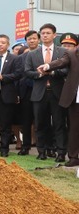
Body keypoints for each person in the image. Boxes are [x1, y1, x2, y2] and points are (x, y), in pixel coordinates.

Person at [25, 23, 67, 162]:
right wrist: (39, 74)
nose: (45, 35)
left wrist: (53, 71)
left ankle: (60, 152)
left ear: (54, 35)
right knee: (40, 123)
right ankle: (41, 151)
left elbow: (66, 70)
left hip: (57, 93)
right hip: (39, 93)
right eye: (42, 33)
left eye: (48, 33)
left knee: (59, 123)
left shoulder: (62, 52)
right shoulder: (32, 54)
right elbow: (27, 72)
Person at [38, 38, 79, 167]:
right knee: (74, 128)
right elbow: (61, 62)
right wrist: (48, 66)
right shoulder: (72, 54)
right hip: (75, 97)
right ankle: (73, 157)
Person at [17, 30, 40, 155]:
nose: (31, 41)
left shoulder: (44, 55)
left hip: (41, 90)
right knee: (26, 121)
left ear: (38, 40)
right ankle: (25, 147)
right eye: (29, 39)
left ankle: (45, 148)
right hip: (26, 92)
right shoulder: (21, 58)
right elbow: (18, 75)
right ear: (26, 41)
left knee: (41, 120)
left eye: (34, 38)